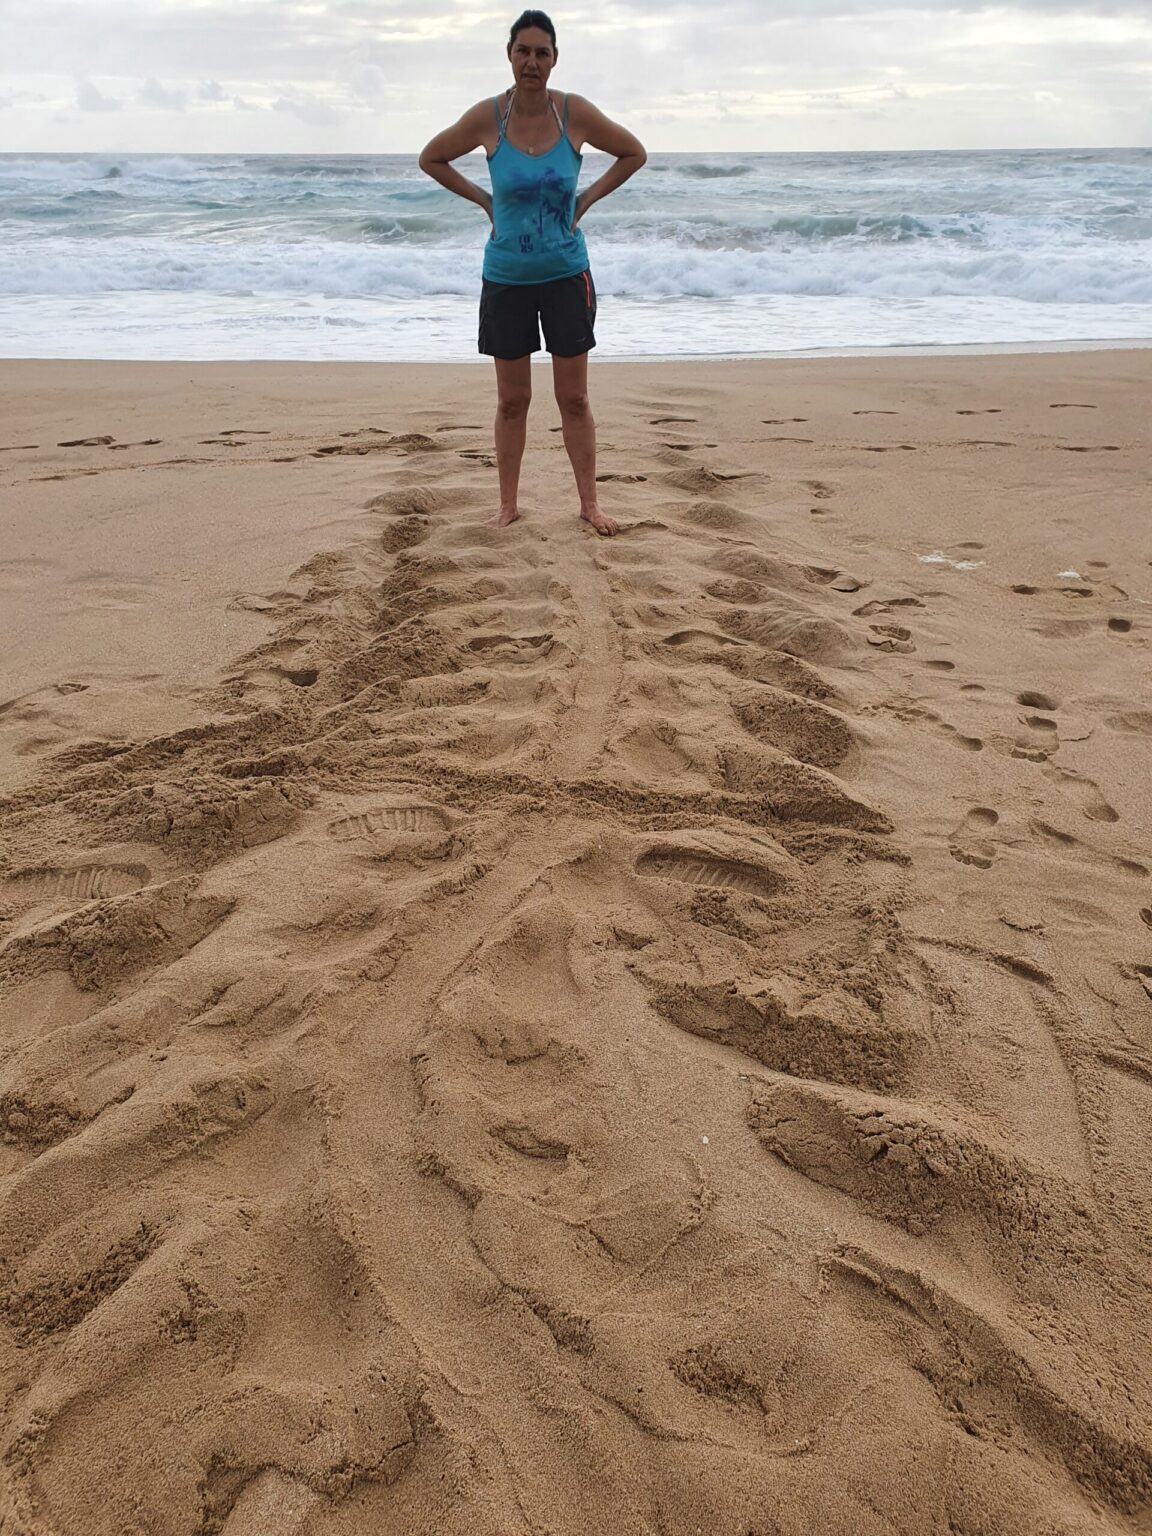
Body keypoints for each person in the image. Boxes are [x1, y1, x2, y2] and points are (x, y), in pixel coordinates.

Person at [418, 9, 647, 536]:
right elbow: (431, 158)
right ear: (510, 56)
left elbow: (633, 152)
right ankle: (508, 506)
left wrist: (585, 199)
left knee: (574, 398)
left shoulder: (574, 114)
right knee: (512, 400)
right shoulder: (488, 117)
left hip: (567, 274)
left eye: (542, 53)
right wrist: (485, 202)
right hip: (506, 278)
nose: (532, 62)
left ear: (554, 59)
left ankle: (589, 505)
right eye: (523, 51)